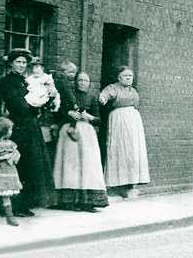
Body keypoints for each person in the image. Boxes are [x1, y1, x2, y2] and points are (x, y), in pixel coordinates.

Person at [0, 48, 56, 216]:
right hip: (18, 126)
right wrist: (32, 104)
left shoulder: (27, 81)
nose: (21, 65)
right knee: (20, 163)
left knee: (32, 164)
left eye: (24, 62)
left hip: (31, 125)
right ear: (11, 63)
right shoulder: (8, 81)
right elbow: (17, 104)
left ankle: (26, 203)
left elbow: (38, 102)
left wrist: (44, 101)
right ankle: (15, 205)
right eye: (18, 62)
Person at [53, 72, 108, 212]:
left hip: (86, 133)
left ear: (89, 83)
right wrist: (68, 113)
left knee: (87, 166)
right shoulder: (67, 95)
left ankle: (87, 202)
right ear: (76, 82)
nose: (82, 83)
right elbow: (57, 112)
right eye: (80, 80)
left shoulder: (92, 97)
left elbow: (99, 120)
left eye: (85, 80)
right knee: (70, 165)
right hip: (69, 132)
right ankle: (69, 201)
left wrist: (90, 117)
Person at [99, 66, 149, 198]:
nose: (128, 78)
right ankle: (115, 186)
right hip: (119, 121)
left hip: (133, 122)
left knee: (132, 152)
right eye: (125, 76)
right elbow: (105, 95)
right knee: (119, 151)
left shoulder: (133, 90)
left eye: (130, 76)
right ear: (119, 78)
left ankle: (129, 185)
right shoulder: (113, 87)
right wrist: (103, 98)